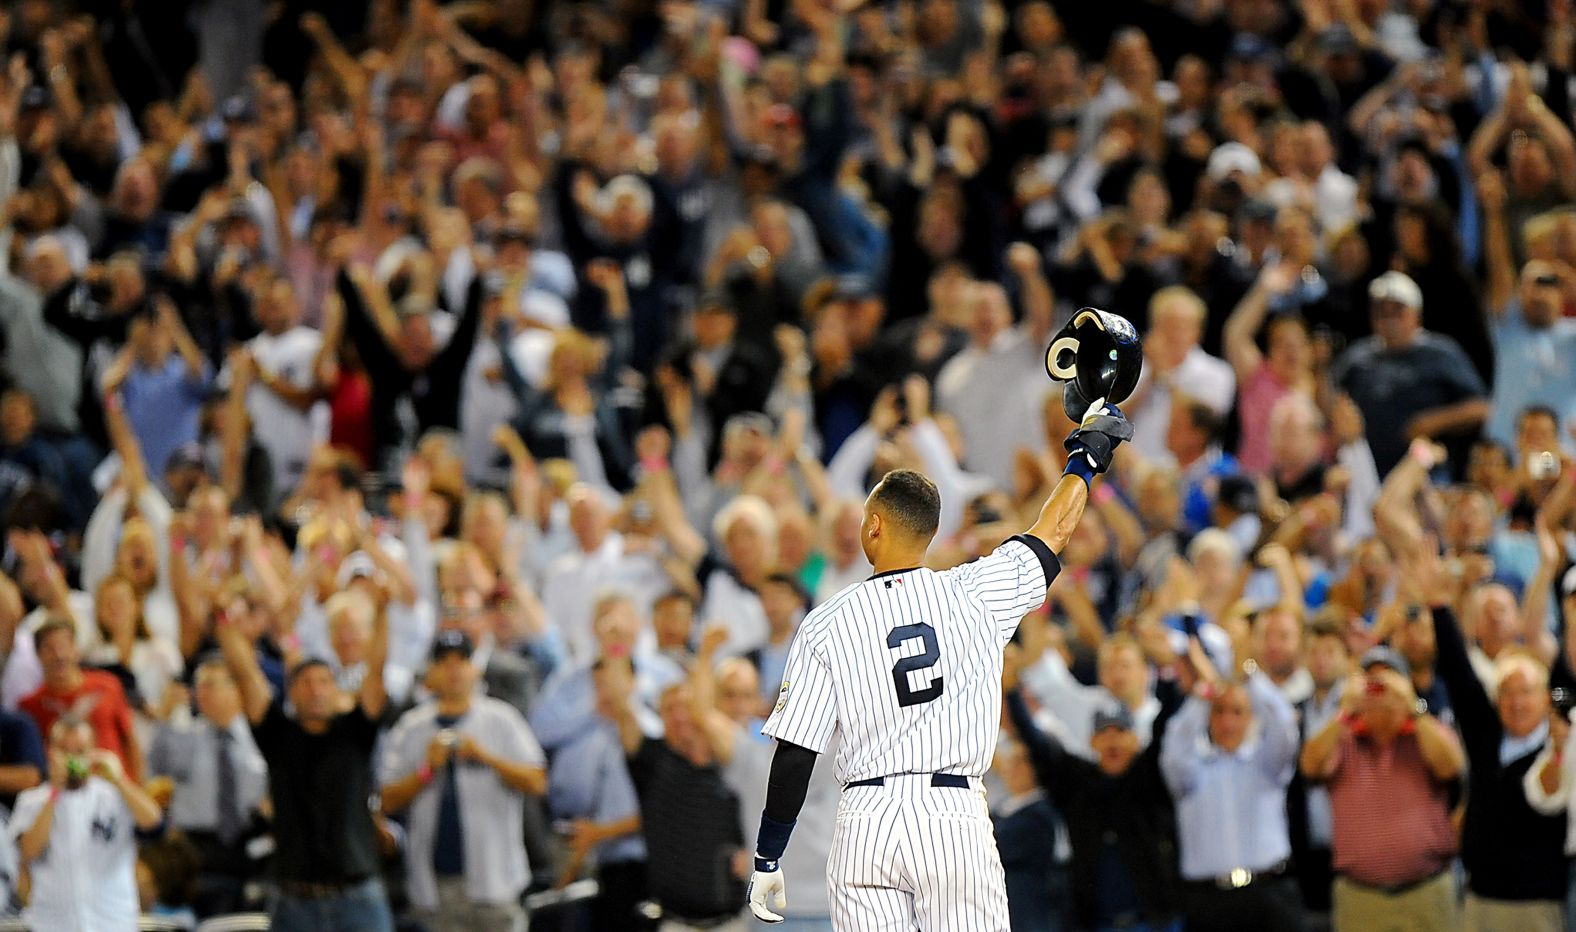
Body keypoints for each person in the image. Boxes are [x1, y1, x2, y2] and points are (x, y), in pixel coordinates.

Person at [745, 400, 1133, 928]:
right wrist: (1089, 455)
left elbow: (795, 754)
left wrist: (769, 854)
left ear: (874, 527)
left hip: (866, 820)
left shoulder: (825, 622)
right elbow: (1054, 531)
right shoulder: (975, 591)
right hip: (951, 818)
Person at [216, 583, 395, 932]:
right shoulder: (278, 736)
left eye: (324, 682)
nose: (315, 690)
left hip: (357, 895)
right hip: (294, 900)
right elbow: (245, 674)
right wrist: (224, 618)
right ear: (291, 692)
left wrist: (383, 613)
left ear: (337, 689)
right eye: (306, 682)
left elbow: (376, 672)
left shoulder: (356, 731)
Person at [379, 630, 547, 932]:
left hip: (496, 882)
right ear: (431, 672)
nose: (454, 669)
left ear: (475, 668)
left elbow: (537, 781)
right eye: (444, 662)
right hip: (434, 887)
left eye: (462, 661)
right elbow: (386, 800)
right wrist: (426, 770)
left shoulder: (501, 719)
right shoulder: (411, 727)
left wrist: (486, 757)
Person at [1299, 646, 1464, 931]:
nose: (1379, 693)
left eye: (1388, 683)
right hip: (1360, 897)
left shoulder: (1426, 732)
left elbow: (1450, 767)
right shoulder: (1345, 737)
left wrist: (1413, 708)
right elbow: (1310, 765)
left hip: (1426, 891)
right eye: (1371, 683)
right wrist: (1344, 711)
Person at [1159, 651, 1302, 932]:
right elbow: (1174, 749)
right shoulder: (1191, 774)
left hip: (1270, 894)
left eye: (1238, 712)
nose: (1228, 722)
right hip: (1209, 902)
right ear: (1208, 718)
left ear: (1251, 717)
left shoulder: (1267, 765)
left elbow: (1284, 727)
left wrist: (1253, 680)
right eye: (1219, 711)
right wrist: (1203, 696)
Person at [11, 716, 164, 932]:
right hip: (52, 924)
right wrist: (54, 792)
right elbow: (27, 852)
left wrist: (120, 779)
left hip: (113, 921)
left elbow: (155, 825)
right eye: (64, 750)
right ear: (50, 750)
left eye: (80, 750)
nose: (72, 758)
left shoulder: (113, 796)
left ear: (93, 750)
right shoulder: (32, 801)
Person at [146, 657, 269, 917]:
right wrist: (164, 716)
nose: (201, 693)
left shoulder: (262, 737)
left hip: (252, 846)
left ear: (236, 689)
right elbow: (156, 764)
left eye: (211, 685)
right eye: (198, 686)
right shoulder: (187, 737)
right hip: (199, 850)